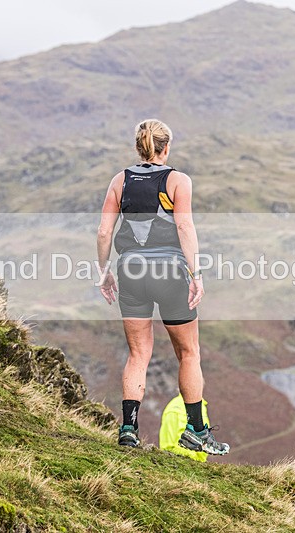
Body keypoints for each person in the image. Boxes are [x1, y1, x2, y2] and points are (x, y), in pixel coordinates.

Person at [96, 118, 229, 455]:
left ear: (139, 147)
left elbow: (103, 232)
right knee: (188, 352)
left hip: (130, 271)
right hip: (169, 272)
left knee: (138, 353)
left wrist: (104, 271)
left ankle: (128, 430)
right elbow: (184, 225)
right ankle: (197, 430)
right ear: (165, 147)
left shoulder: (119, 180)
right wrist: (196, 274)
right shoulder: (177, 181)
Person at [160, 394, 209, 462]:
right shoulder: (177, 406)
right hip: (180, 461)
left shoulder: (201, 406)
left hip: (193, 461)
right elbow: (169, 446)